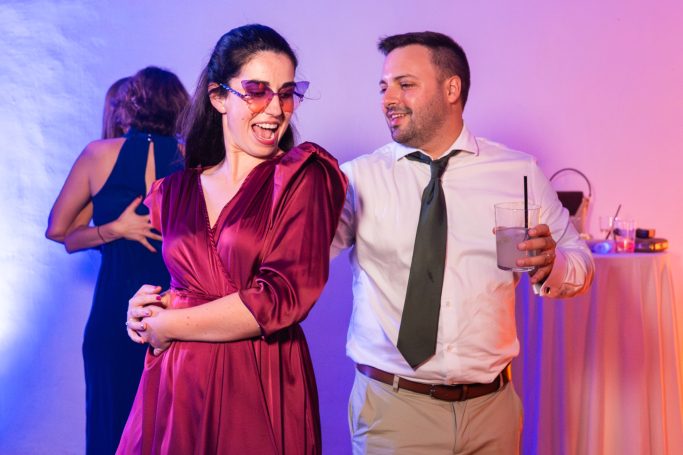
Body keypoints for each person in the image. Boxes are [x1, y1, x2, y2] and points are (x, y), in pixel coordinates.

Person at [332, 31, 594, 454]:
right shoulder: (355, 179)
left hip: (492, 412)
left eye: (405, 84)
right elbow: (300, 253)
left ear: (451, 89)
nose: (388, 99)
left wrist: (554, 264)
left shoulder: (518, 173)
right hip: (394, 412)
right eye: (383, 87)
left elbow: (580, 262)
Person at [118, 24, 347, 454]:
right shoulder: (175, 191)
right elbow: (195, 286)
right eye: (257, 91)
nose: (275, 109)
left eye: (286, 93)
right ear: (218, 97)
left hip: (259, 381)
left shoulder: (302, 176)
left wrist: (167, 325)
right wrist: (147, 310)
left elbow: (280, 297)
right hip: (178, 384)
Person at [46, 67, 189, 454]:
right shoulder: (193, 159)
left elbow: (59, 231)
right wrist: (119, 229)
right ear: (179, 106)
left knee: (110, 429)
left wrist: (112, 230)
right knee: (172, 433)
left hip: (113, 313)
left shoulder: (98, 154)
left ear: (131, 103)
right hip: (175, 313)